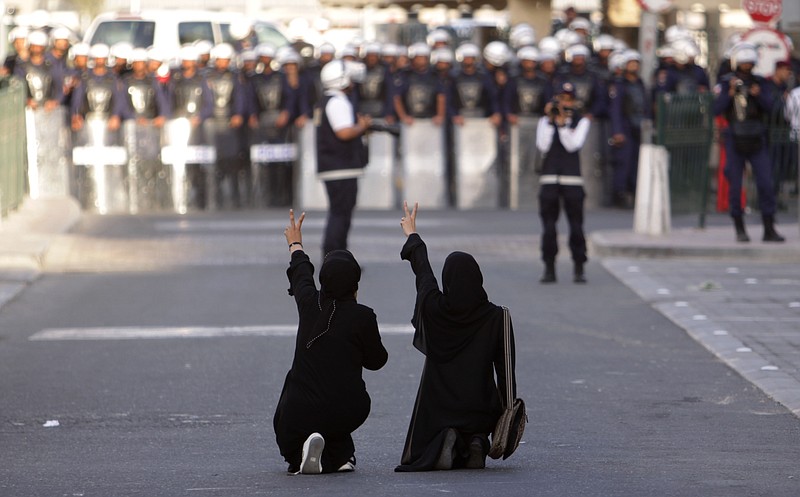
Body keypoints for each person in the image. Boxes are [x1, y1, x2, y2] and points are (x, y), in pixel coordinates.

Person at [395, 201, 515, 472]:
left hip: (439, 407)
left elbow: (423, 274)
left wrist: (413, 235)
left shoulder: (434, 308)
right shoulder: (497, 317)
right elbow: (506, 372)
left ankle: (447, 437)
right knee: (478, 422)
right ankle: (477, 440)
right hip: (480, 406)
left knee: (439, 420)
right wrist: (507, 416)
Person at [275, 209, 388, 474]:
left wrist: (295, 243)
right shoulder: (362, 316)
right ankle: (339, 456)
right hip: (345, 409)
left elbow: (301, 274)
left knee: (294, 383)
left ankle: (301, 453)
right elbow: (377, 361)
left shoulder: (310, 302)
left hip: (300, 411)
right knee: (340, 401)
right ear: (355, 286)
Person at [713, 44, 785, 243]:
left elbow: (771, 107)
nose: (746, 66)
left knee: (765, 183)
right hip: (735, 136)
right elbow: (716, 109)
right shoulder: (726, 82)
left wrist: (757, 93)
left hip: (756, 136)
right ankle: (739, 228)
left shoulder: (760, 82)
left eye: (749, 63)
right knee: (735, 186)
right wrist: (728, 94)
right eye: (743, 63)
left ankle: (769, 227)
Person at [536, 82, 591, 283]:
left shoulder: (581, 121)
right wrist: (552, 122)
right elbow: (542, 145)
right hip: (550, 178)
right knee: (549, 227)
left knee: (576, 226)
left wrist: (563, 124)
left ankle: (579, 266)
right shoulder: (545, 121)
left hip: (572, 179)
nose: (564, 103)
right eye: (561, 98)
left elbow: (573, 144)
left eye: (568, 99)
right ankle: (549, 267)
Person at [316, 59, 371, 256]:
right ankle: (334, 256)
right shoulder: (337, 101)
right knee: (340, 214)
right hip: (341, 167)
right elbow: (344, 132)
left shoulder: (327, 100)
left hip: (335, 166)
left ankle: (339, 257)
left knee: (340, 213)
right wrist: (362, 127)